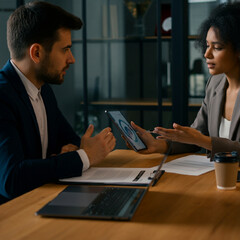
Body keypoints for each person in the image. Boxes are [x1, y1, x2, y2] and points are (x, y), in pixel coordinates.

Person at [0, 1, 116, 204]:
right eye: (65, 49)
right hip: (13, 218)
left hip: (43, 200)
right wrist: (84, 156)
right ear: (36, 53)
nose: (72, 59)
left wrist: (74, 154)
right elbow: (12, 180)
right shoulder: (2, 96)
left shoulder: (44, 90)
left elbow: (70, 143)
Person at [130, 2, 240, 160]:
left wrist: (200, 139)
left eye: (217, 47)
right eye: (207, 45)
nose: (206, 54)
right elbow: (196, 137)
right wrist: (158, 145)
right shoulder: (215, 83)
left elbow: (200, 139)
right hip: (217, 178)